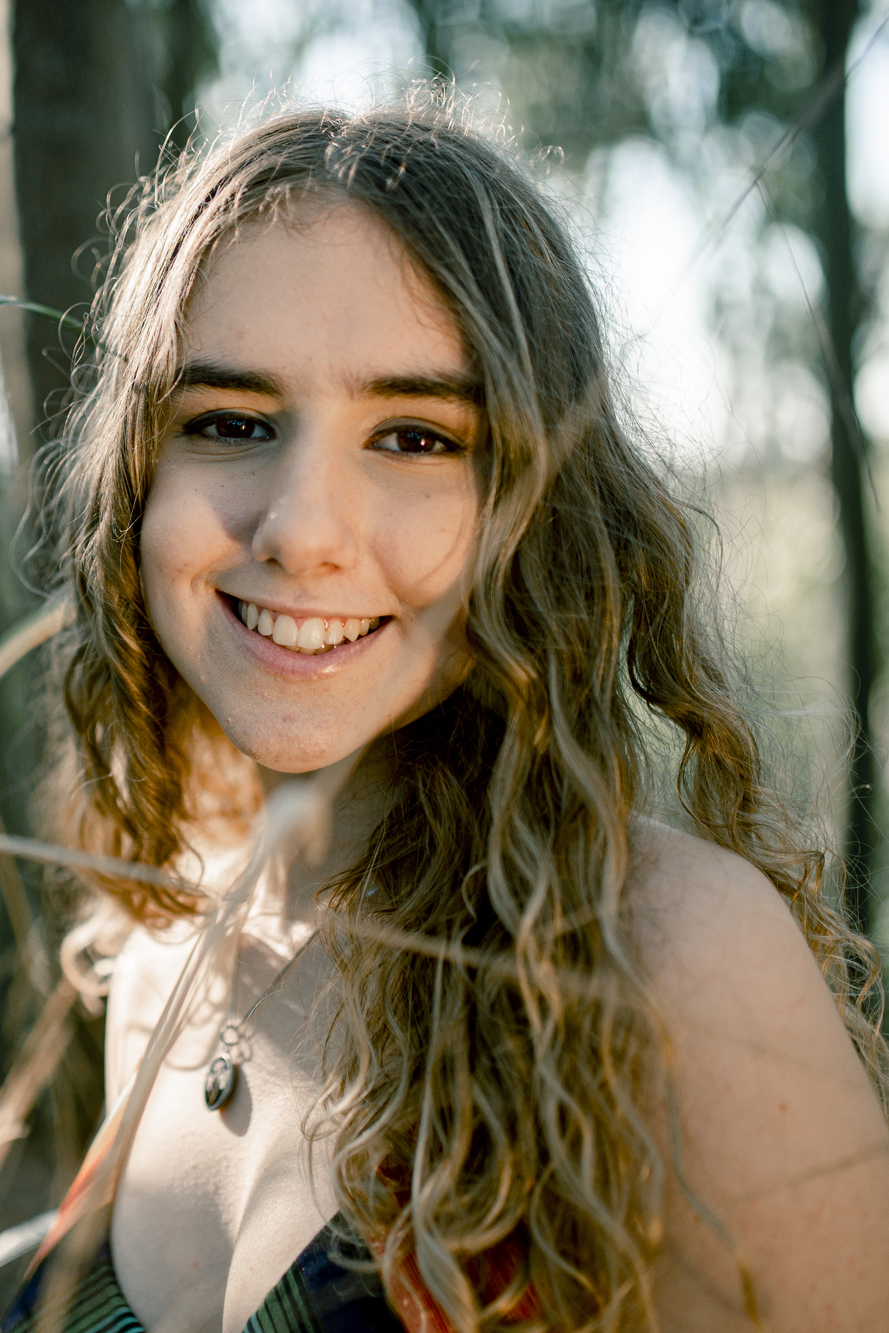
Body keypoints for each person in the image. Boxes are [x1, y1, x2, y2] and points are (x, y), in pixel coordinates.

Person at [4, 89, 889, 1333]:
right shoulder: (159, 955)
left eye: (415, 437)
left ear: (539, 505)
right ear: (136, 480)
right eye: (230, 423)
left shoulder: (665, 958)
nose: (301, 530)